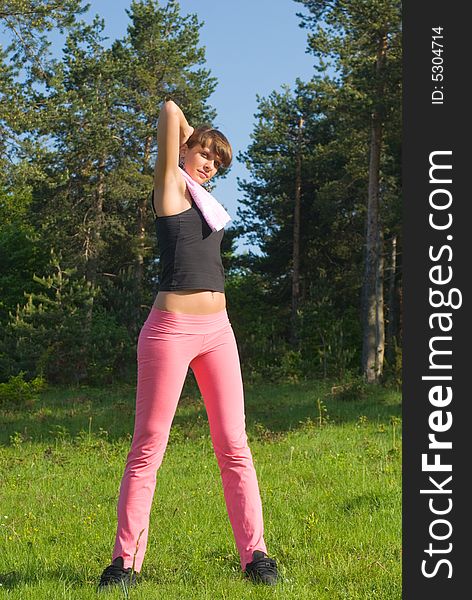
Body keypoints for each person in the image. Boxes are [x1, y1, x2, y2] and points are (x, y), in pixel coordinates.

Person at [98, 100, 278, 590]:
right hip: (170, 331)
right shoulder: (172, 187)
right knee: (148, 447)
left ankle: (256, 556)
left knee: (235, 446)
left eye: (217, 162)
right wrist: (187, 139)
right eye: (204, 153)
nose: (209, 164)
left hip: (219, 331)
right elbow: (168, 108)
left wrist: (200, 145)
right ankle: (125, 563)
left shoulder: (204, 202)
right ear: (184, 150)